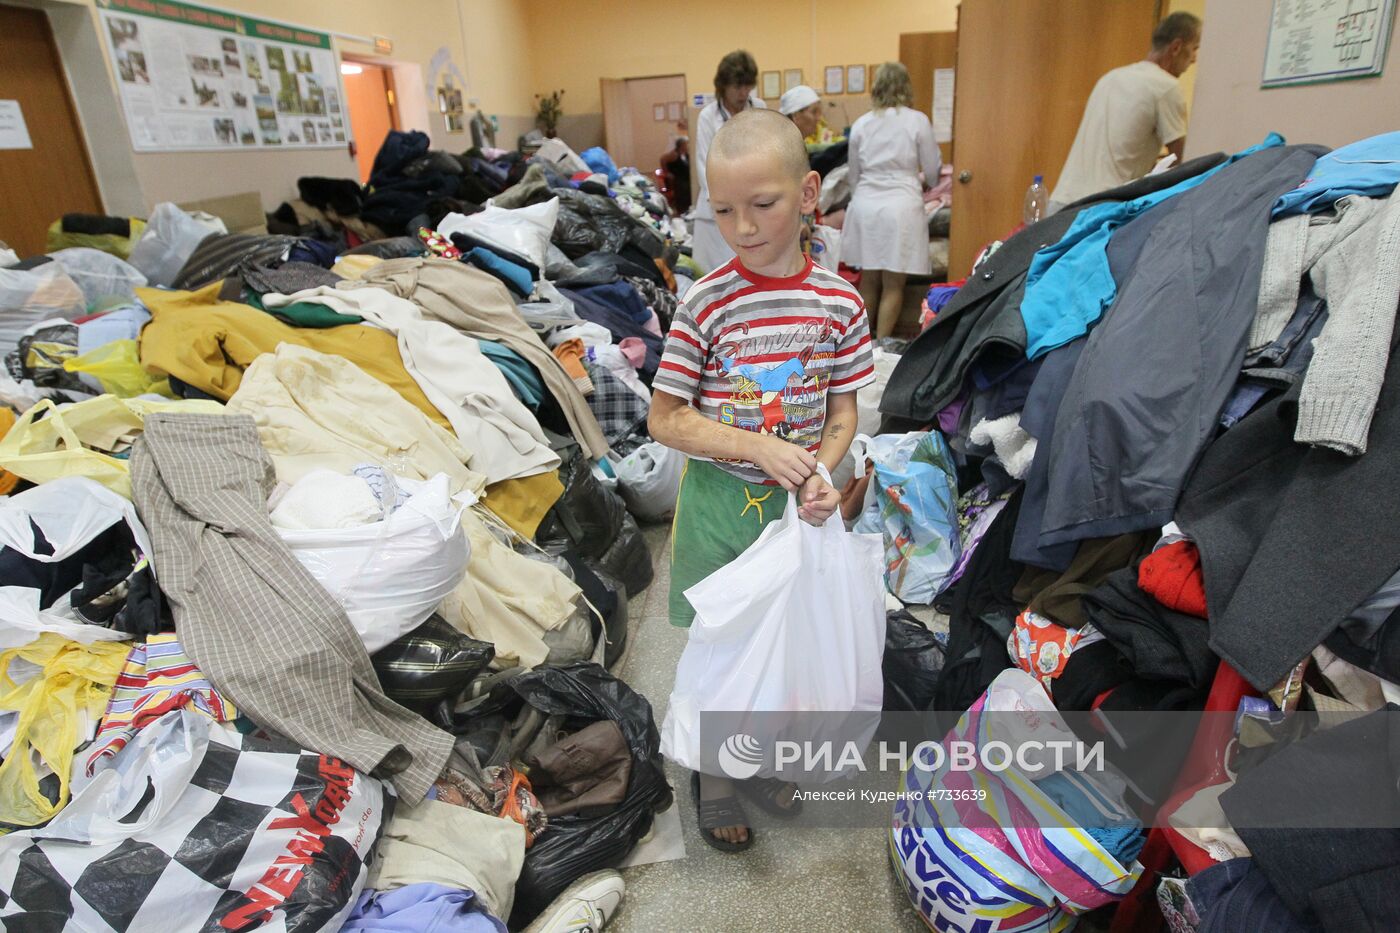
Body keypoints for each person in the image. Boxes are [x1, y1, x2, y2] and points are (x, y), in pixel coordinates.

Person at [648, 109, 875, 851]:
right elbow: (666, 418)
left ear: (809, 192)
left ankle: (760, 756)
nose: (742, 227)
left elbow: (842, 410)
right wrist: (757, 444)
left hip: (795, 511)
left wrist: (821, 468)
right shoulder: (706, 301)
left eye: (763, 205)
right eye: (722, 211)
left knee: (786, 642)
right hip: (719, 505)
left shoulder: (839, 303)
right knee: (723, 644)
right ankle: (713, 775)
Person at [1048, 11, 1202, 212]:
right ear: (1176, 47)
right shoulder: (1166, 87)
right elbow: (1181, 163)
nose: (1194, 60)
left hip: (1060, 203)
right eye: (1194, 49)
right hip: (1100, 209)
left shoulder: (1111, 77)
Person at [840, 62, 941, 339]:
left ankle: (859, 344)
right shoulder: (917, 120)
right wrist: (920, 178)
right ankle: (881, 346)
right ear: (906, 87)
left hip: (866, 207)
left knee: (869, 280)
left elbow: (853, 175)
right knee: (894, 283)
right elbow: (932, 173)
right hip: (901, 207)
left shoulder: (861, 124)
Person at [692, 50, 766, 273]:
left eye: (748, 86)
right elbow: (704, 166)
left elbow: (767, 156)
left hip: (753, 204)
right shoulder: (708, 117)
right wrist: (727, 204)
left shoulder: (759, 109)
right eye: (737, 87)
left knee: (750, 277)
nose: (744, 93)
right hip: (717, 210)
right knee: (713, 279)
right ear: (723, 86)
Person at [660, 135, 692, 213]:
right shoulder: (674, 154)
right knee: (682, 192)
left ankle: (687, 209)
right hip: (679, 179)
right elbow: (662, 159)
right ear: (681, 145)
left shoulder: (685, 154)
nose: (687, 145)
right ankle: (681, 211)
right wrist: (667, 173)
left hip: (686, 178)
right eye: (686, 144)